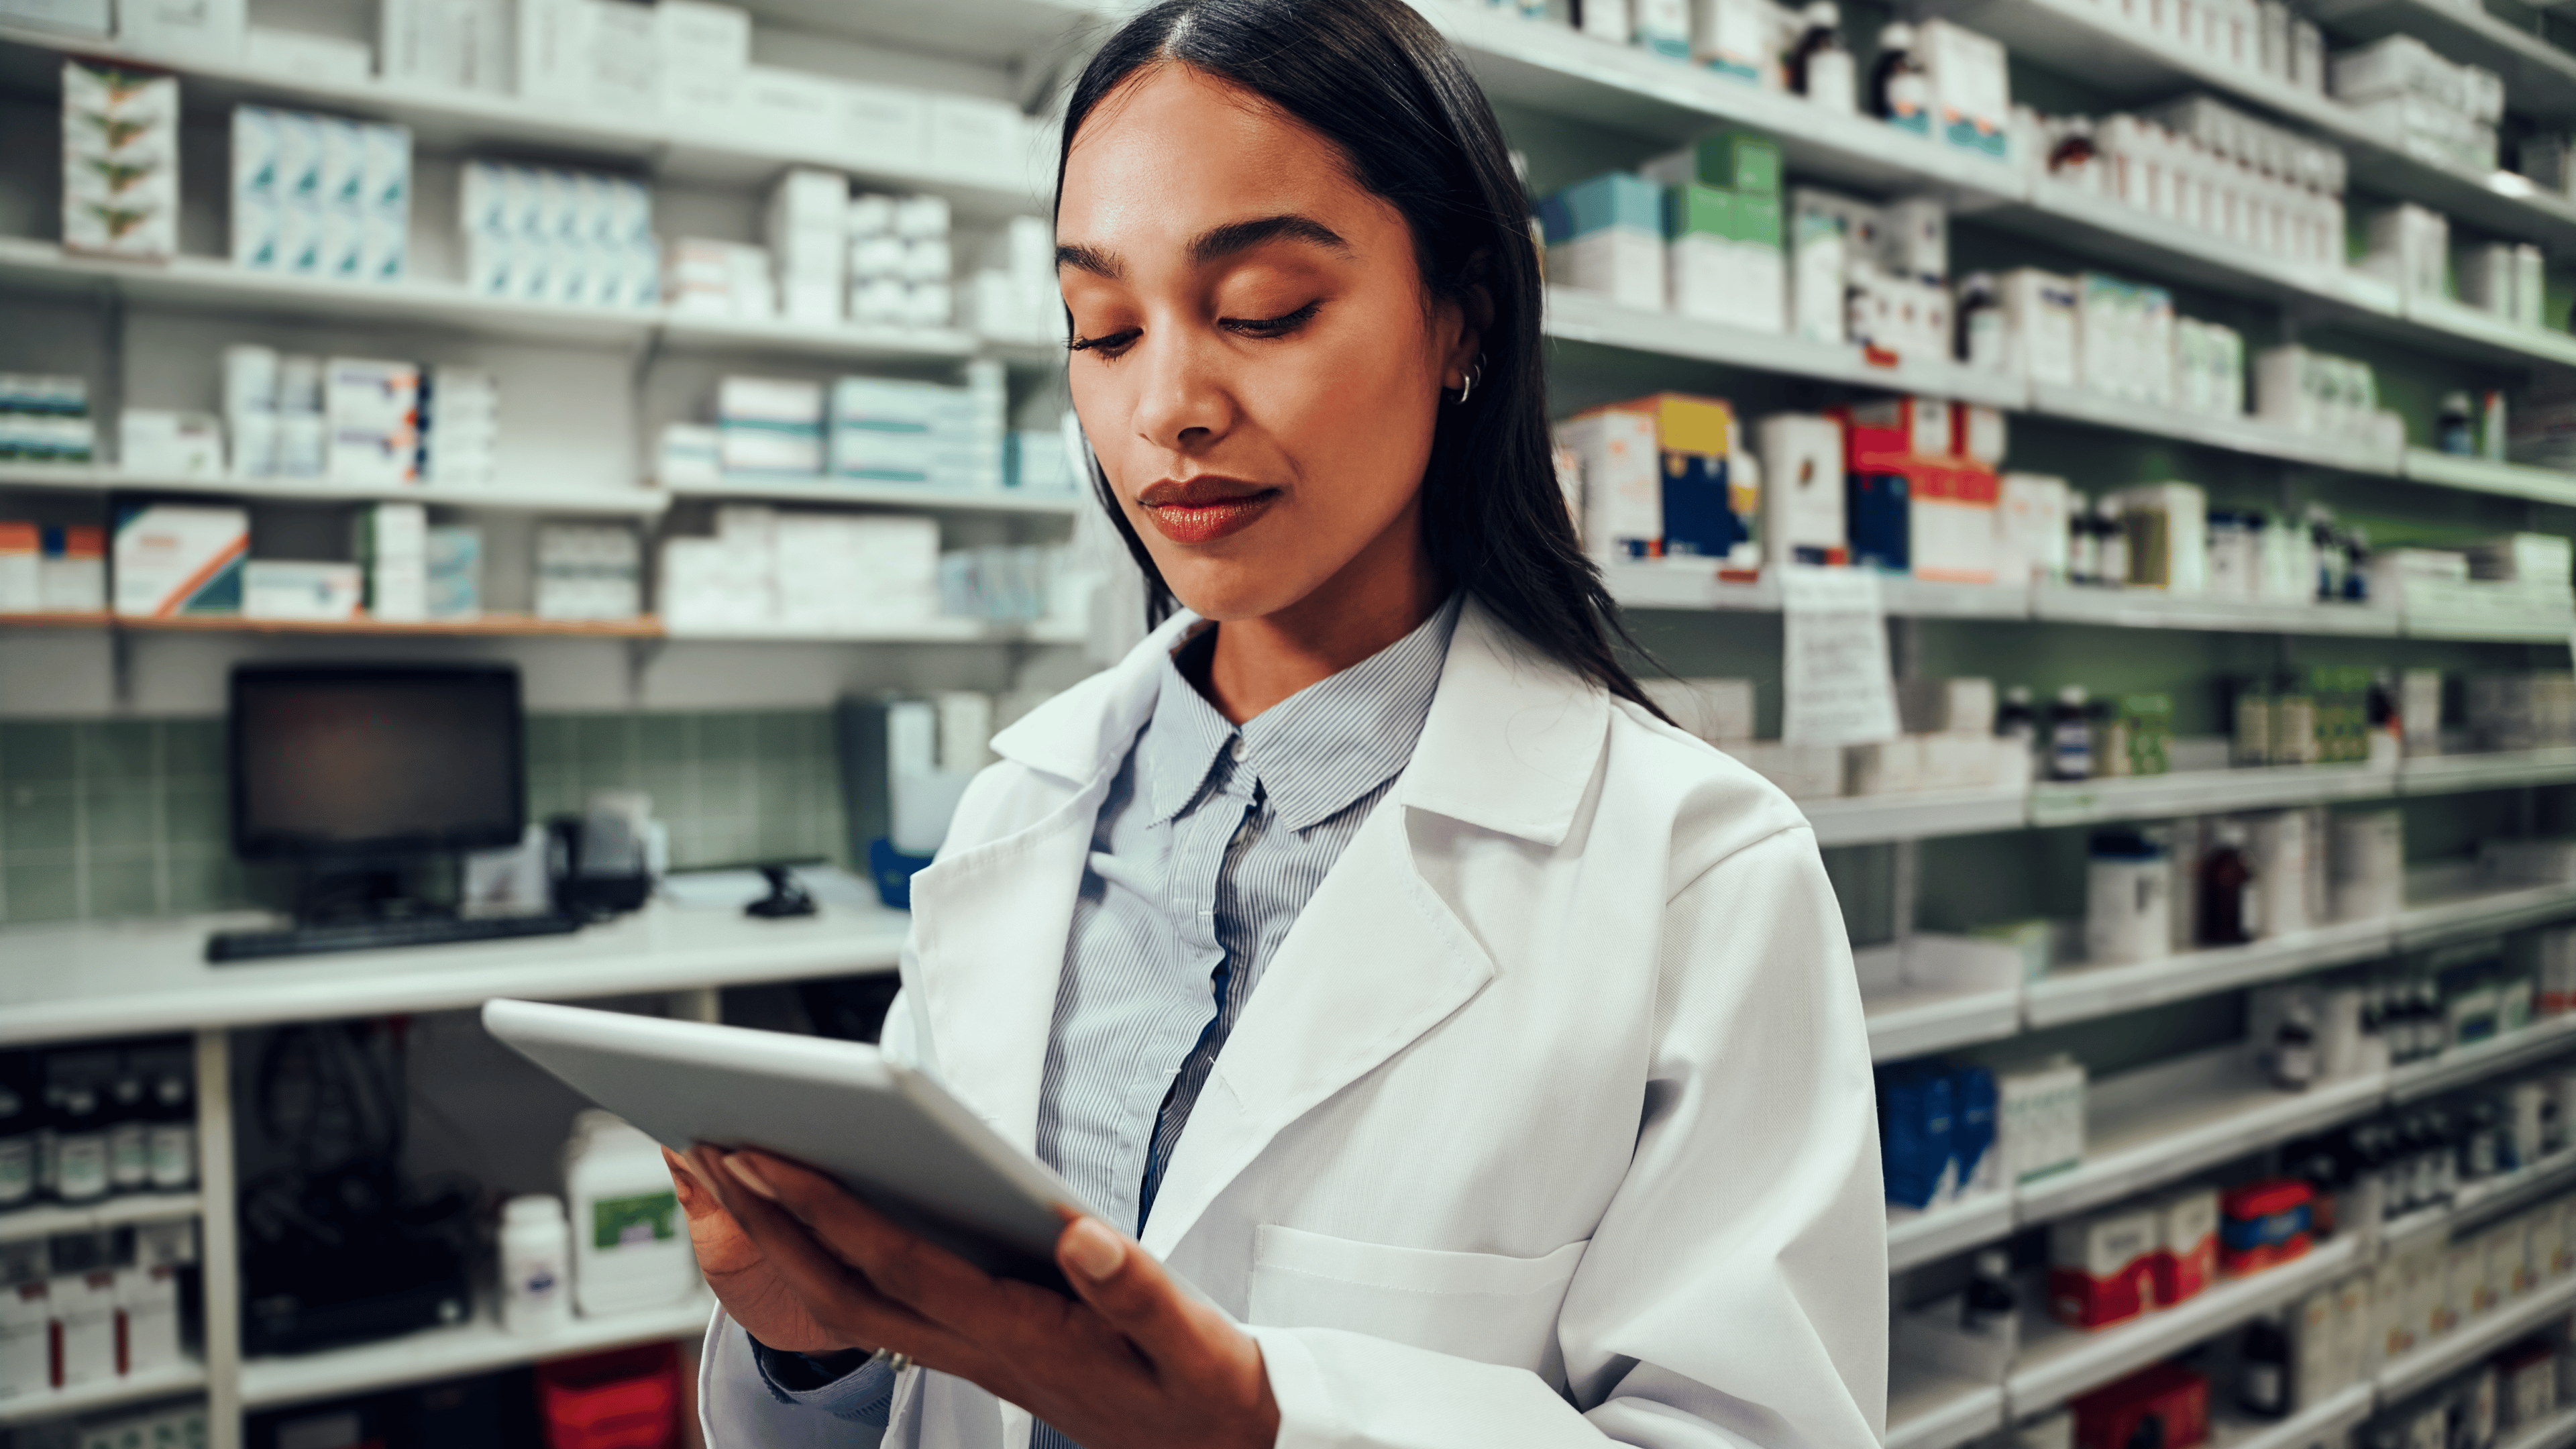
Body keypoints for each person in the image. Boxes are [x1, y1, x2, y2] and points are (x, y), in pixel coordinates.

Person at [678, 1, 1886, 1444]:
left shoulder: (1701, 872)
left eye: (1262, 311)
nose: (1166, 407)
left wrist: (1273, 1424)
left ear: (1464, 318)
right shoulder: (1024, 816)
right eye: (1104, 328)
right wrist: (816, 1343)